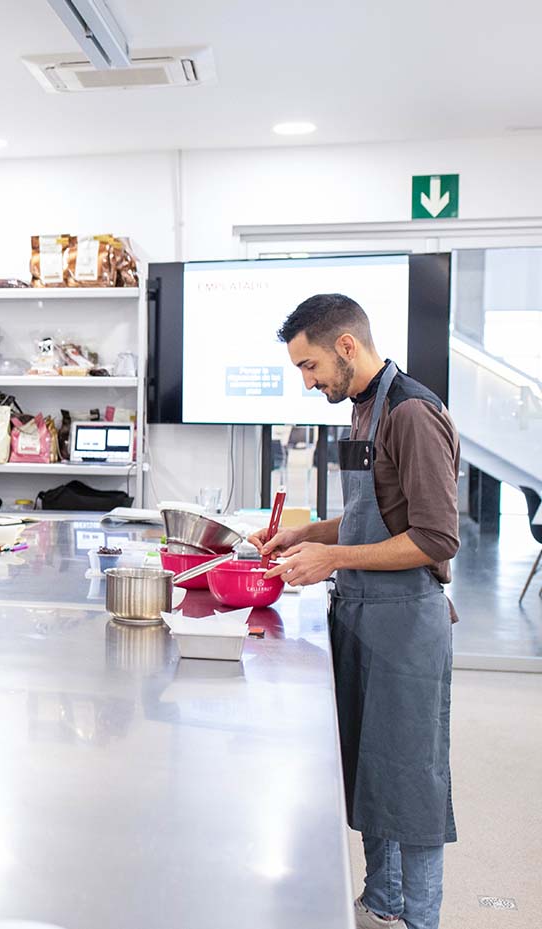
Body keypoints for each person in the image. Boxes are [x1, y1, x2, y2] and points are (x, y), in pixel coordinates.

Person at [249, 294, 459, 929]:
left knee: (412, 783)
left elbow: (434, 538)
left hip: (405, 623)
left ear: (346, 347)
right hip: (362, 614)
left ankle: (421, 918)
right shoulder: (362, 410)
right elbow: (377, 516)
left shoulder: (412, 413)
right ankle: (383, 900)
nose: (307, 382)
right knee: (371, 769)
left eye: (310, 367)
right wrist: (308, 535)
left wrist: (335, 557)